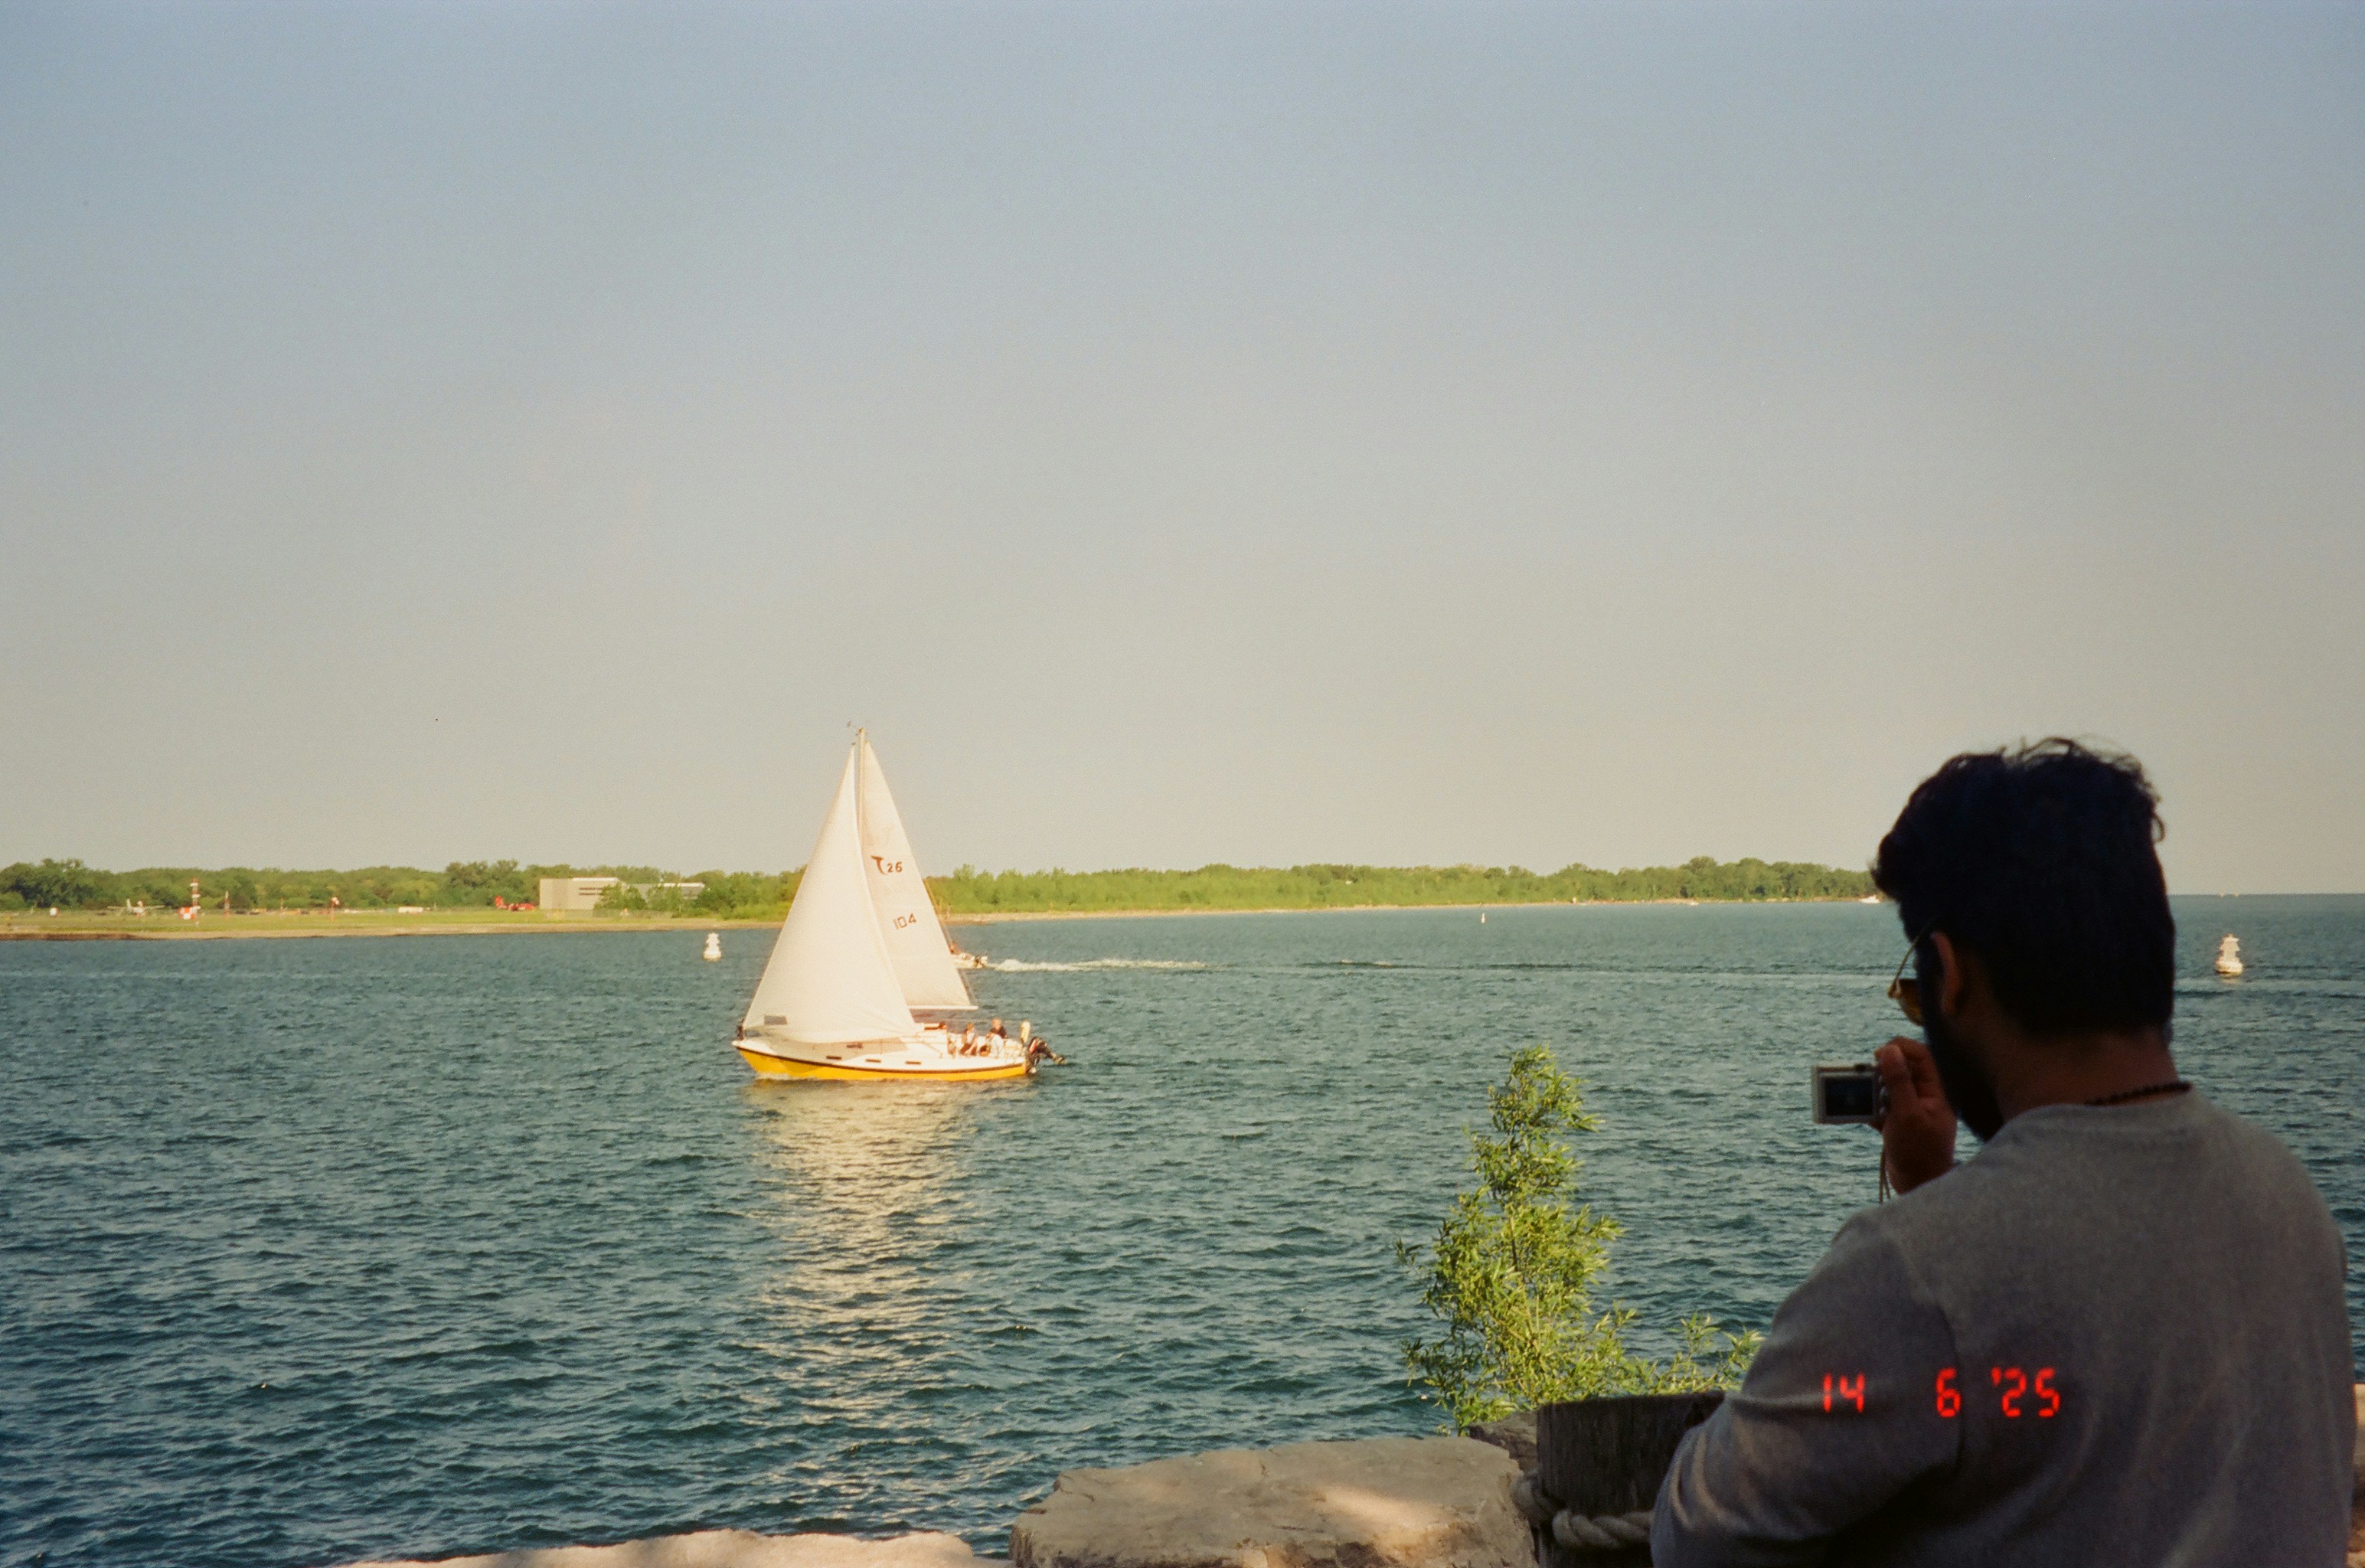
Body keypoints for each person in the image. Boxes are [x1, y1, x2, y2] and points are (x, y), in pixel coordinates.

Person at [1652, 739, 2354, 1567]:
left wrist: (1927, 1217)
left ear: (1948, 974)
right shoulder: (2287, 1197)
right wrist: (1933, 1189)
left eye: (1915, 981)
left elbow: (1697, 1530)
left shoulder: (1916, 1267)